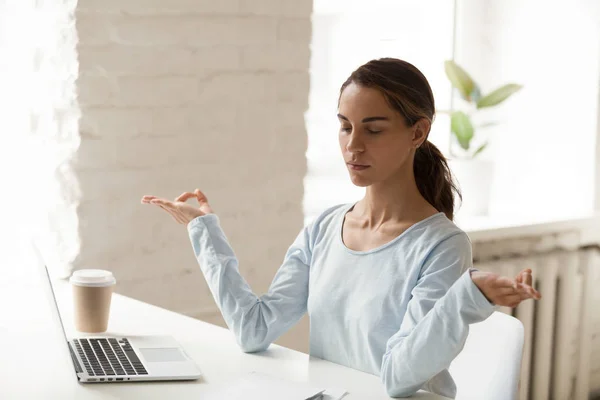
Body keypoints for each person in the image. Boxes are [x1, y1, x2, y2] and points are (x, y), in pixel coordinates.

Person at [141, 58, 541, 398]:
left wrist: (467, 298)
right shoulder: (325, 228)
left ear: (418, 132)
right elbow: (253, 329)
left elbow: (399, 377)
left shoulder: (442, 246)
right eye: (345, 126)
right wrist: (205, 233)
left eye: (374, 128)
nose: (353, 146)